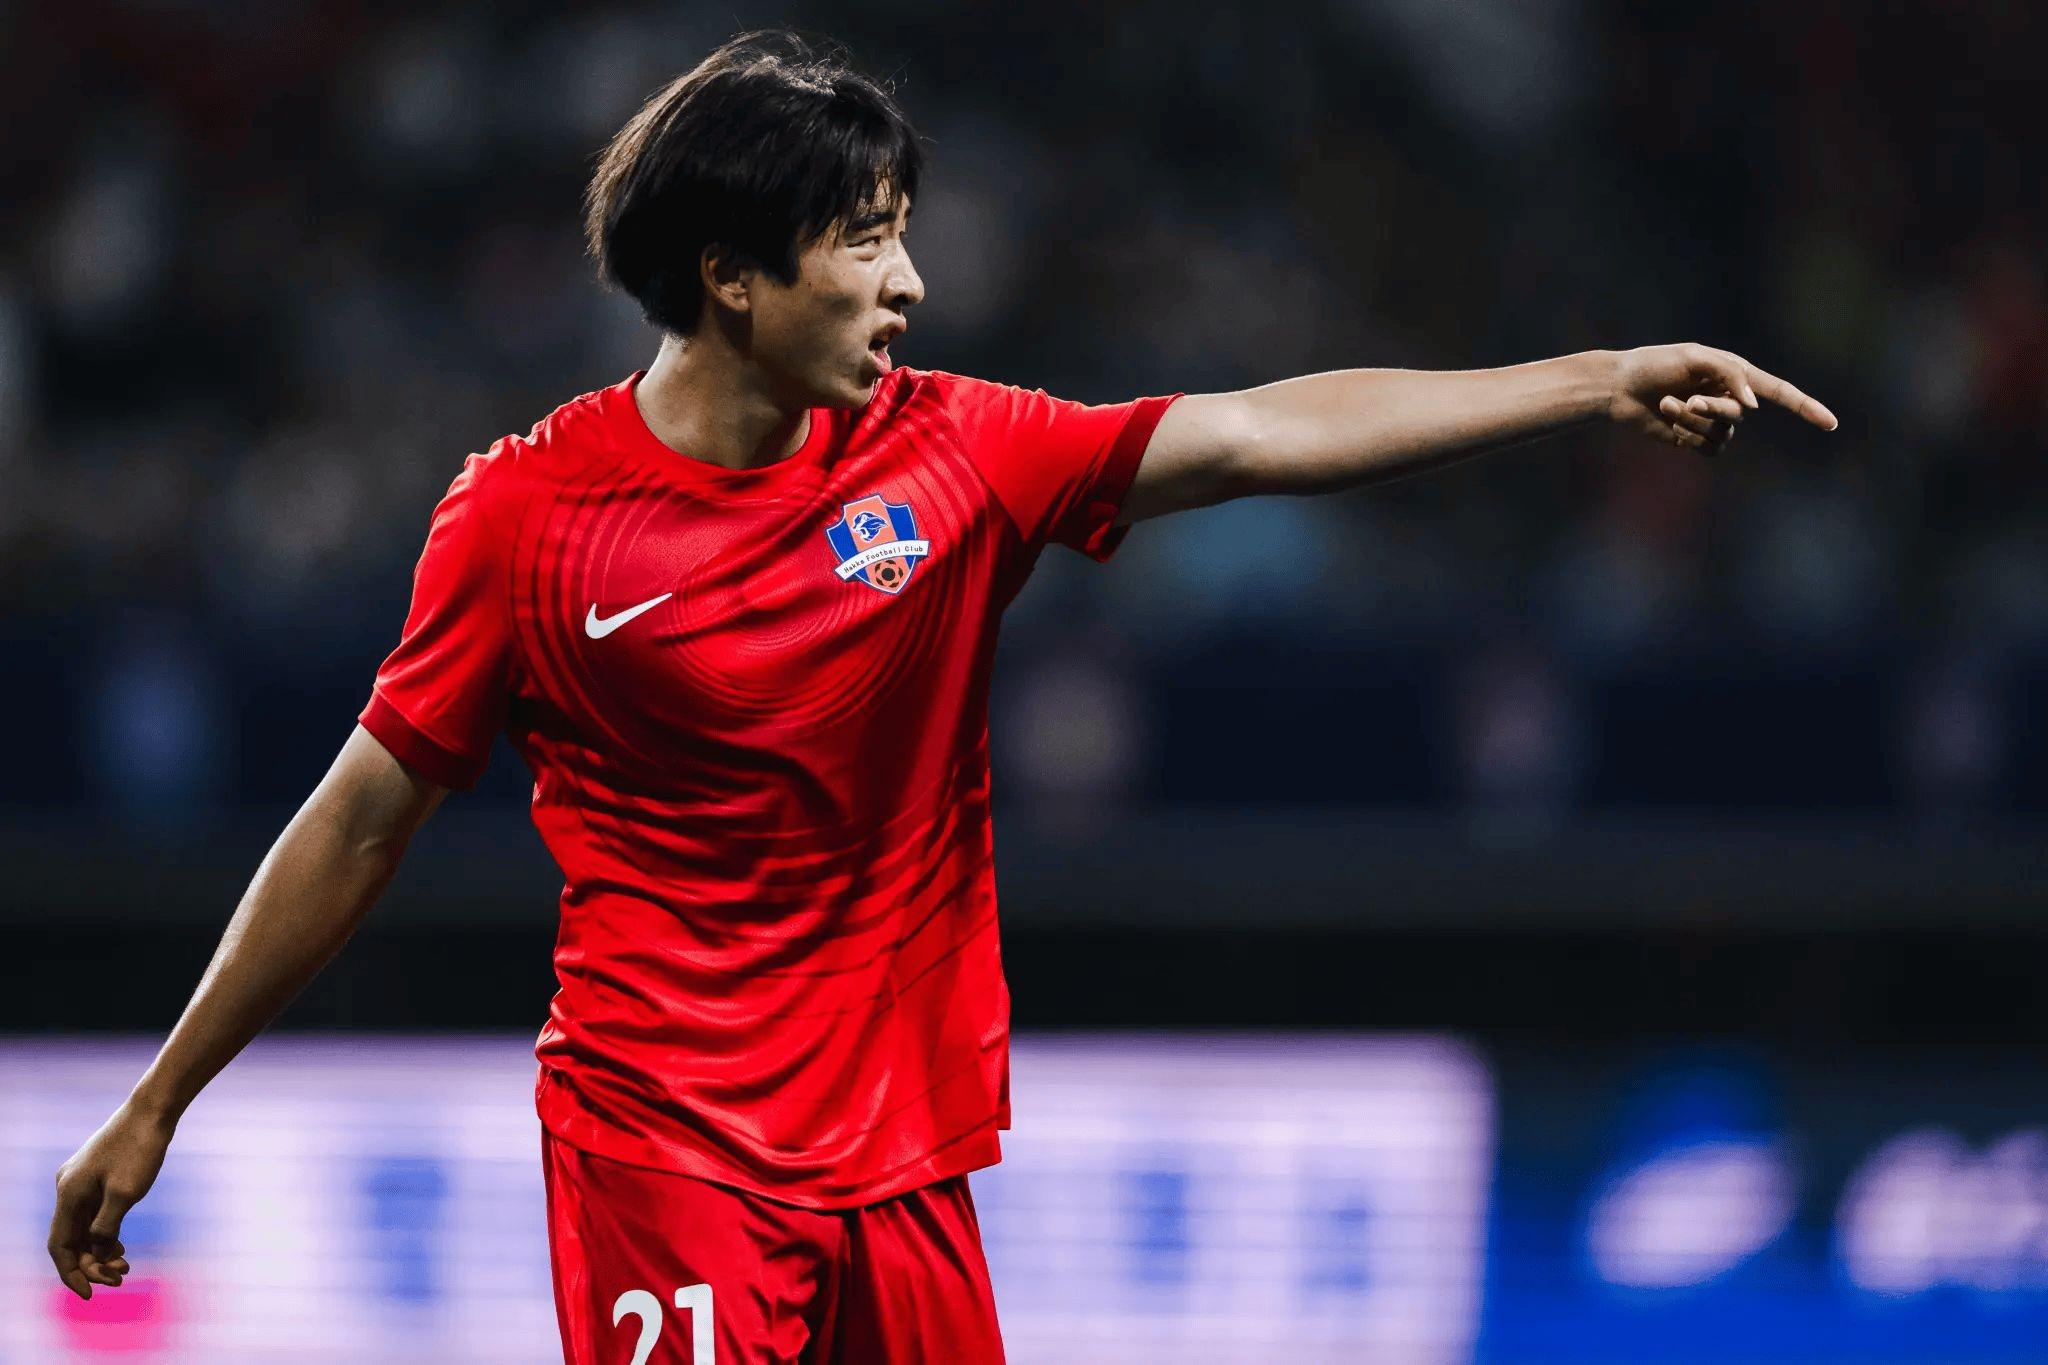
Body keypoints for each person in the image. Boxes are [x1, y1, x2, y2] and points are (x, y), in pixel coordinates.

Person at [46, 26, 1836, 1364]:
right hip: (664, 1149)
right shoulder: (526, 517)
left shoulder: (954, 453)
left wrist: (1593, 377)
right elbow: (360, 818)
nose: (909, 282)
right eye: (865, 242)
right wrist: (161, 1095)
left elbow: (1257, 428)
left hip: (903, 1164)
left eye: (903, 232)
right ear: (731, 278)